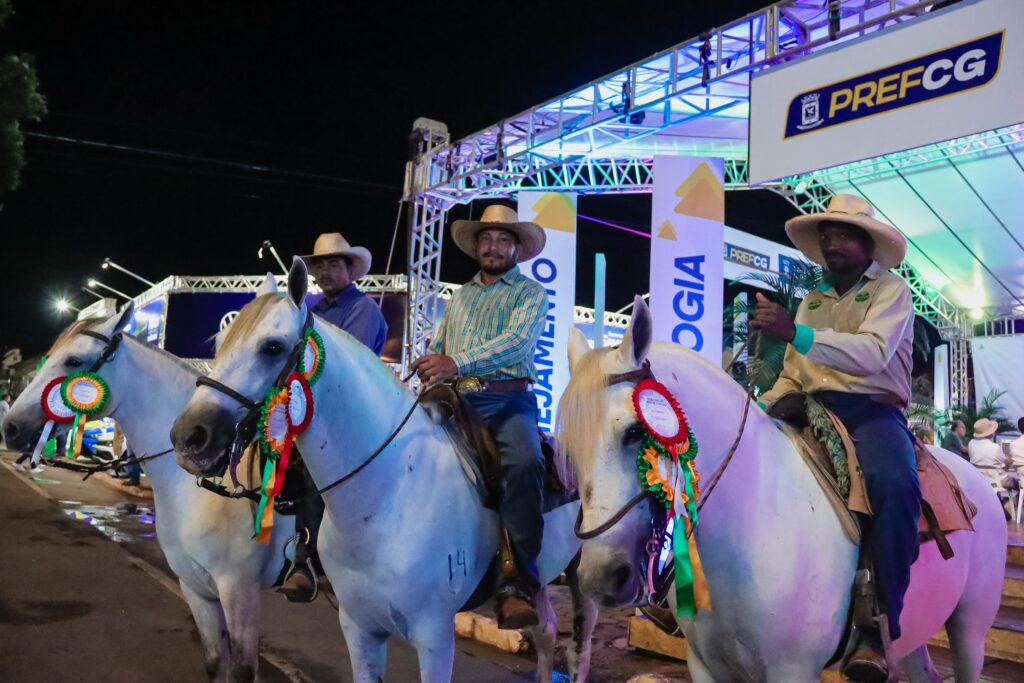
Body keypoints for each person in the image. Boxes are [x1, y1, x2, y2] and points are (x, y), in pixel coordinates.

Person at [752, 194, 918, 681]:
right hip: (808, 407)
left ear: (868, 245)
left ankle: (877, 622)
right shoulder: (813, 299)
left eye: (842, 233)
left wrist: (794, 333)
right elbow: (792, 374)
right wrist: (756, 411)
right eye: (826, 234)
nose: (831, 242)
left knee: (894, 486)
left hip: (871, 412)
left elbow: (870, 355)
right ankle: (694, 595)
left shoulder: (892, 292)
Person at [411, 203, 548, 630]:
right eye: (486, 239)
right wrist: (429, 363)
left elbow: (517, 345)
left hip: (509, 402)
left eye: (502, 239)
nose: (492, 246)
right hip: (456, 400)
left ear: (516, 247)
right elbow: (441, 342)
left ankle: (517, 581)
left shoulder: (530, 294)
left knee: (525, 463)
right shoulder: (460, 296)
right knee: (404, 449)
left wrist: (456, 362)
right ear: (477, 247)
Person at [279, 232, 388, 602]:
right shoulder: (311, 309)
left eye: (334, 264)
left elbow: (342, 365)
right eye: (320, 265)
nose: (325, 271)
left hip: (351, 412)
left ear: (350, 270)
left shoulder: (363, 309)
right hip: (312, 408)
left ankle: (306, 560)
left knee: (313, 472)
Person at [968, 418, 1009, 492]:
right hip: (997, 482)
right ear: (991, 433)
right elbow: (1004, 462)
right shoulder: (995, 447)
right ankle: (1009, 503)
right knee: (1018, 483)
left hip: (979, 480)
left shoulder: (971, 443)